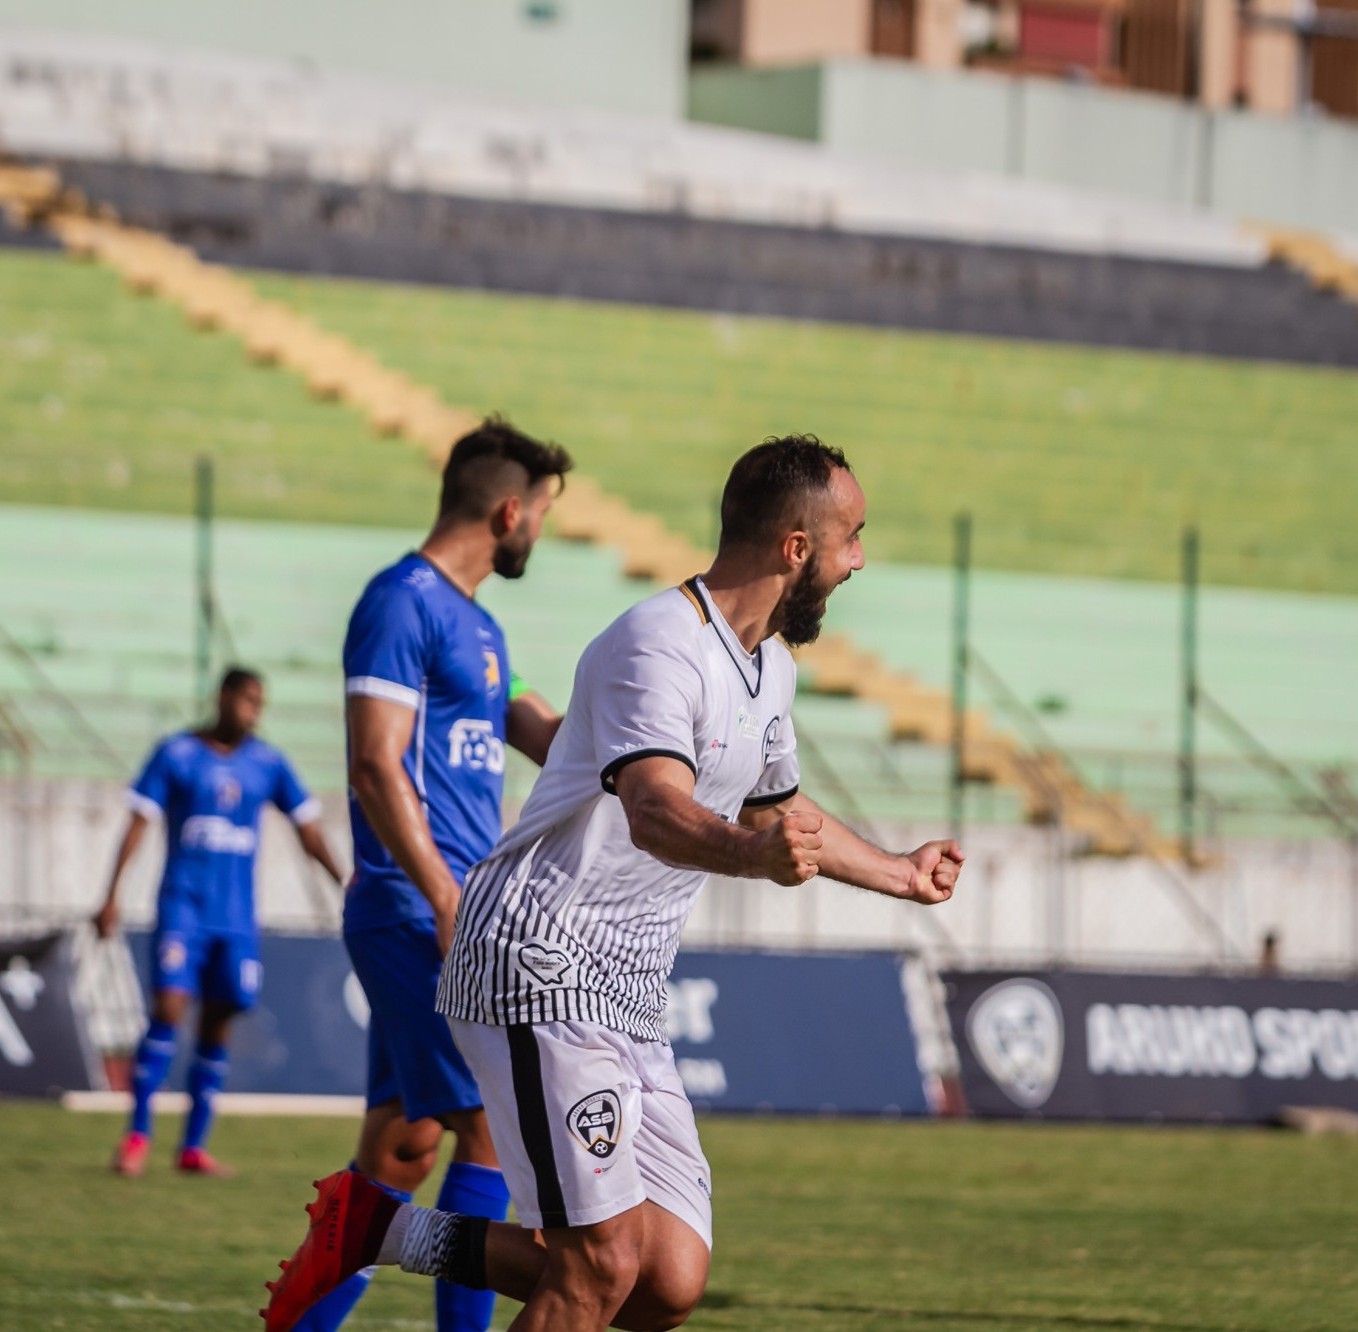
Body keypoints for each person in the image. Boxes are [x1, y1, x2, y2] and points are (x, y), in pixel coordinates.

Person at [262, 433, 965, 1332]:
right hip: (535, 959)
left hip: (627, 992)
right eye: (853, 537)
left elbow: (777, 812)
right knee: (597, 1265)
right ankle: (380, 1228)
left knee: (664, 1279)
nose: (859, 558)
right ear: (798, 548)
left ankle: (379, 1227)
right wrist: (755, 858)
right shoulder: (657, 644)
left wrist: (898, 875)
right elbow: (654, 810)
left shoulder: (771, 669)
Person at [290, 417, 570, 1332]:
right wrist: (448, 897)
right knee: (493, 1124)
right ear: (507, 511)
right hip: (419, 907)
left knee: (400, 1152)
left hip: (446, 909)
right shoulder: (400, 601)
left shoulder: (476, 623)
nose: (542, 533)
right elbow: (376, 764)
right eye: (542, 516)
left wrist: (661, 750)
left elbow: (549, 737)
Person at [95, 666, 344, 1177]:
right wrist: (111, 896)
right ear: (224, 697)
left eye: (260, 703)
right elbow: (137, 824)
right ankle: (138, 1134)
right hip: (182, 909)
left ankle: (193, 1146)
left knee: (220, 1021)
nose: (253, 711)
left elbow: (308, 828)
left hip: (236, 920)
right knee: (167, 1009)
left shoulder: (267, 762)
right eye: (248, 699)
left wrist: (348, 881)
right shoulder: (177, 754)